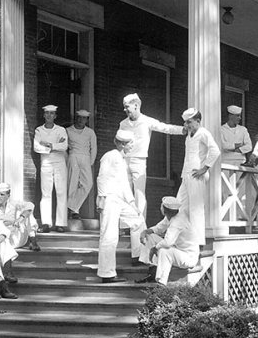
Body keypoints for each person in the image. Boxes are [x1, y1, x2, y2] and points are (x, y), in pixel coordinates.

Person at [118, 93, 184, 218]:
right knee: (124, 191)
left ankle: (140, 223)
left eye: (127, 107)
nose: (125, 110)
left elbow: (165, 128)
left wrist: (182, 130)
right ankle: (124, 224)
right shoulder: (123, 124)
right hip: (124, 160)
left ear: (136, 106)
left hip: (139, 161)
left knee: (139, 193)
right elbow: (119, 141)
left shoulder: (146, 121)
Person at [96, 129, 147, 283]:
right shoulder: (110, 156)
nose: (132, 146)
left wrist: (132, 204)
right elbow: (101, 177)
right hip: (109, 199)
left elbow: (124, 185)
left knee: (138, 220)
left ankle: (137, 255)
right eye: (130, 143)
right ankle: (107, 274)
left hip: (119, 200)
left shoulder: (121, 159)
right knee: (109, 236)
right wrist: (101, 199)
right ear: (123, 144)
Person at [178, 108, 221, 246]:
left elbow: (215, 150)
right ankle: (183, 238)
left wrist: (205, 168)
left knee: (196, 209)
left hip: (196, 175)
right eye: (185, 122)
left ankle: (198, 242)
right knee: (180, 205)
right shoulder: (189, 135)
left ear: (198, 121)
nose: (187, 125)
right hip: (187, 174)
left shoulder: (203, 133)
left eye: (189, 122)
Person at [0, 182, 39, 282]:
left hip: (18, 236)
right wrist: (14, 222)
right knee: (3, 238)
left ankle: (33, 240)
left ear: (8, 195)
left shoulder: (14, 203)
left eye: (2, 194)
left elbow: (31, 205)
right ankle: (8, 272)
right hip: (4, 239)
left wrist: (19, 219)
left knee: (27, 212)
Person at [139, 195, 199, 286]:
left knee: (164, 251)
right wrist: (145, 231)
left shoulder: (177, 222)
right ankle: (153, 269)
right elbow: (159, 228)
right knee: (149, 236)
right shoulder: (172, 216)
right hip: (178, 249)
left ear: (165, 210)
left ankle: (161, 282)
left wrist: (155, 248)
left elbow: (168, 242)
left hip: (188, 256)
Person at [33, 104, 69, 232]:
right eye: (47, 113)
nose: (49, 116)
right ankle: (46, 223)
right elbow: (36, 147)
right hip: (46, 162)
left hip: (59, 162)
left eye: (52, 113)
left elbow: (64, 146)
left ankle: (61, 223)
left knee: (61, 191)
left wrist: (48, 144)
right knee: (46, 193)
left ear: (55, 116)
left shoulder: (61, 130)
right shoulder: (39, 130)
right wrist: (55, 146)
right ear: (44, 115)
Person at [66, 110, 97, 220]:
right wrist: (67, 160)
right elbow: (64, 147)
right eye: (79, 117)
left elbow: (93, 148)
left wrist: (91, 162)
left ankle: (71, 206)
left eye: (84, 118)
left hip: (86, 157)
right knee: (72, 183)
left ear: (87, 120)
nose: (81, 120)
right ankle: (74, 211)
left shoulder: (90, 132)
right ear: (76, 118)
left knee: (88, 183)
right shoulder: (68, 130)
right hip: (73, 155)